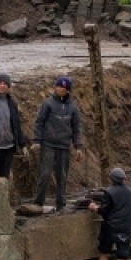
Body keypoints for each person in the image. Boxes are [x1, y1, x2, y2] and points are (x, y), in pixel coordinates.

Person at [31, 76, 83, 211]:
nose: (60, 89)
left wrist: (78, 147)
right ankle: (38, 202)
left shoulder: (73, 108)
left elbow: (76, 128)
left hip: (64, 146)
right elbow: (39, 122)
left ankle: (61, 204)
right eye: (58, 86)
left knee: (62, 176)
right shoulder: (48, 104)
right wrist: (37, 140)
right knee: (45, 174)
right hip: (48, 144)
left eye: (63, 88)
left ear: (68, 90)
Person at [88, 167, 131, 260]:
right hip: (126, 229)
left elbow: (104, 211)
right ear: (124, 179)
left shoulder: (109, 192)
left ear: (111, 179)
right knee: (122, 256)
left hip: (110, 228)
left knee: (104, 252)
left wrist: (95, 207)